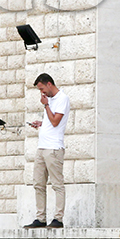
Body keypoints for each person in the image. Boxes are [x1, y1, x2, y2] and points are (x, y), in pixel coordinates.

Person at [23, 73, 70, 229]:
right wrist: (41, 124)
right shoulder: (50, 100)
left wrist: (46, 105)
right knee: (38, 183)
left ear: (49, 84)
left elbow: (56, 121)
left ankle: (58, 219)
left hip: (54, 148)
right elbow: (51, 122)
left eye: (42, 89)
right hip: (42, 147)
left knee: (57, 184)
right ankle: (40, 218)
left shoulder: (62, 98)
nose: (42, 93)